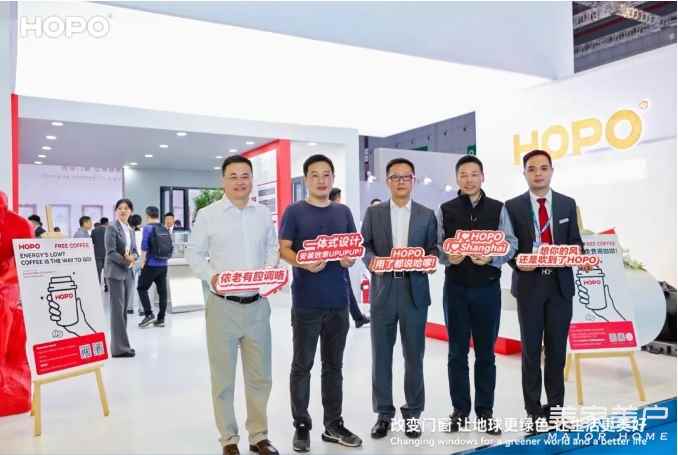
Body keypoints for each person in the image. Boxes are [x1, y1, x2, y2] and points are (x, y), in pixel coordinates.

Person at [188, 155, 280, 455]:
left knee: (260, 377)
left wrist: (269, 271)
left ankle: (258, 436)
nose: (240, 181)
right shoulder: (208, 215)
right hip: (222, 307)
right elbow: (194, 253)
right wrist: (211, 277)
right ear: (223, 181)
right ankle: (228, 439)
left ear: (252, 180)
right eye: (233, 176)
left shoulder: (262, 213)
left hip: (257, 306)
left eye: (245, 176)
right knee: (223, 378)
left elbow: (272, 247)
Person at [279, 154, 362, 452]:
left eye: (326, 174)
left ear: (333, 178)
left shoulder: (343, 212)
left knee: (334, 366)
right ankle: (301, 425)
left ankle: (333, 424)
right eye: (314, 175)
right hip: (306, 302)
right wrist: (302, 261)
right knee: (302, 365)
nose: (321, 180)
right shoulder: (294, 212)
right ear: (306, 180)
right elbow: (284, 249)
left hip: (338, 301)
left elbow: (353, 249)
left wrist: (349, 259)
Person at [505, 149, 586, 433]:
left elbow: (576, 242)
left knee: (556, 352)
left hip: (560, 286)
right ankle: (533, 413)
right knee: (530, 352)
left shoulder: (566, 204)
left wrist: (578, 255)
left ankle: (555, 411)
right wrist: (517, 261)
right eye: (532, 169)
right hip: (529, 285)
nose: (538, 173)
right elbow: (508, 246)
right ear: (524, 173)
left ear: (551, 171)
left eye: (543, 168)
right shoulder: (512, 206)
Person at [436, 155, 517, 435]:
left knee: (486, 354)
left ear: (483, 177)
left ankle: (485, 412)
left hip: (487, 289)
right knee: (456, 353)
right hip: (456, 289)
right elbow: (436, 245)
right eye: (463, 174)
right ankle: (460, 411)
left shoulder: (498, 208)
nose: (469, 179)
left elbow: (511, 243)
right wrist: (448, 257)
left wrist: (493, 258)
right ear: (457, 178)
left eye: (474, 174)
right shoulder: (445, 209)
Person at [360, 158, 437, 440]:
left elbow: (434, 249)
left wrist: (429, 260)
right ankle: (383, 414)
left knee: (414, 356)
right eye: (396, 177)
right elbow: (364, 245)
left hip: (414, 290)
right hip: (384, 290)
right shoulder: (374, 213)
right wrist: (373, 262)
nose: (401, 181)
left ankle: (413, 413)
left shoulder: (427, 214)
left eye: (406, 177)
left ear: (413, 180)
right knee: (381, 356)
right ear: (388, 181)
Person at [329, 188, 370, 328]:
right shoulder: (340, 213)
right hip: (338, 258)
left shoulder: (338, 213)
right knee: (344, 288)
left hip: (339, 258)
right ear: (337, 198)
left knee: (346, 288)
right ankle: (355, 317)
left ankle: (357, 317)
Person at [103, 199, 138, 358]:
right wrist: (127, 261)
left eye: (126, 208)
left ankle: (122, 346)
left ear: (131, 211)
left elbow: (134, 251)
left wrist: (133, 257)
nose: (123, 211)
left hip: (128, 273)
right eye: (120, 208)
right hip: (115, 273)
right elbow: (110, 252)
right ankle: (119, 349)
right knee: (117, 311)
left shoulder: (130, 230)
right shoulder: (112, 228)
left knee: (123, 311)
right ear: (116, 211)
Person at [138, 206, 172, 328]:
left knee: (141, 288)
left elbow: (144, 247)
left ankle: (149, 314)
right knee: (162, 292)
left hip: (151, 264)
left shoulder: (147, 228)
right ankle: (161, 319)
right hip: (163, 264)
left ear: (147, 215)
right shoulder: (164, 228)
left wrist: (142, 262)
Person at [128, 214, 144, 315]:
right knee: (142, 285)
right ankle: (142, 309)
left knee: (130, 284)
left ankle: (129, 307)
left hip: (132, 260)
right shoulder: (144, 232)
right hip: (143, 260)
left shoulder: (127, 233)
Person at [91, 217, 109, 289]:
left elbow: (92, 242)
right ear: (107, 223)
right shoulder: (109, 230)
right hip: (107, 254)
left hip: (97, 254)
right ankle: (107, 285)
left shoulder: (94, 230)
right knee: (107, 271)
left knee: (98, 271)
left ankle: (97, 287)